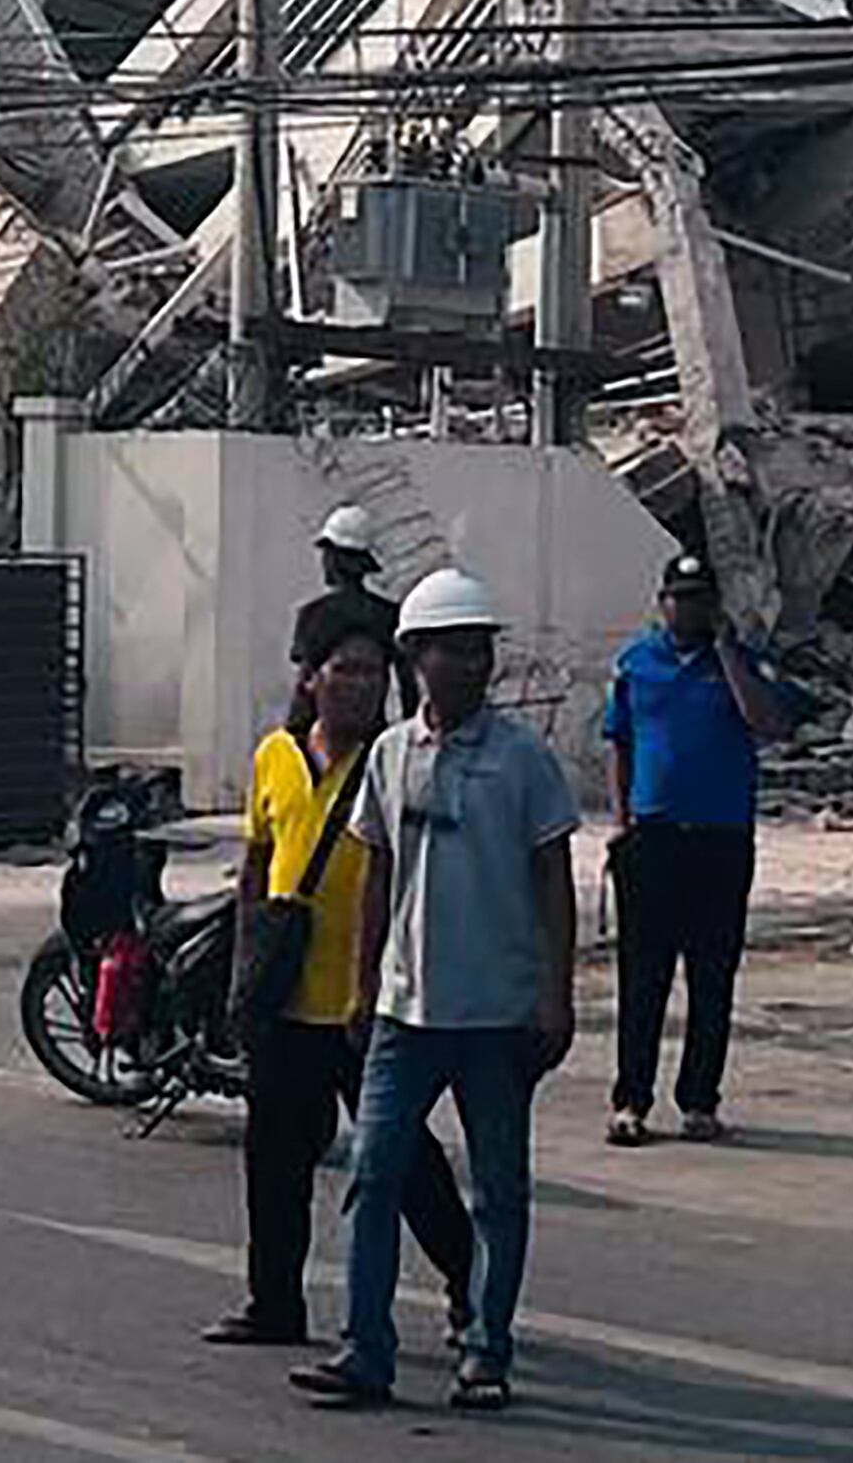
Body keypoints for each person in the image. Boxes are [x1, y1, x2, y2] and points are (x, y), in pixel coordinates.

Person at [290, 568, 578, 1415]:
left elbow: (553, 879)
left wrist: (555, 995)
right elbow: (377, 874)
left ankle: (486, 1349)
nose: (471, 663)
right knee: (372, 1179)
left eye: (480, 648)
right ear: (415, 658)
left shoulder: (523, 760)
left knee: (497, 1193)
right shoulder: (388, 755)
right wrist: (362, 981)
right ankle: (364, 1349)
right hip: (403, 1011)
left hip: (496, 1013)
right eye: (453, 649)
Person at [202, 617, 477, 1351]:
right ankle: (274, 1302)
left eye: (370, 672)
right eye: (344, 669)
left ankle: (466, 1284)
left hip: (371, 1002)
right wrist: (245, 975)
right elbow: (259, 861)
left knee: (407, 1160)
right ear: (310, 678)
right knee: (275, 1162)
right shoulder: (274, 756)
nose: (359, 684)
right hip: (288, 999)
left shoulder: (395, 760)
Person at [602, 548, 792, 1147]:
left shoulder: (741, 663)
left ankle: (700, 1101)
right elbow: (620, 744)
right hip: (654, 838)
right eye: (681, 600)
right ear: (662, 604)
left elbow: (768, 723)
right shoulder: (637, 665)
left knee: (712, 977)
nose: (691, 610)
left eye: (702, 600)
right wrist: (622, 820)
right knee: (643, 978)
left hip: (720, 841)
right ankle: (631, 1100)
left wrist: (727, 650)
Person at [286, 505, 397, 730]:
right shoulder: (388, 615)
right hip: (374, 736)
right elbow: (408, 690)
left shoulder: (314, 615)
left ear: (335, 559)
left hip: (325, 741)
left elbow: (303, 691)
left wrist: (293, 740)